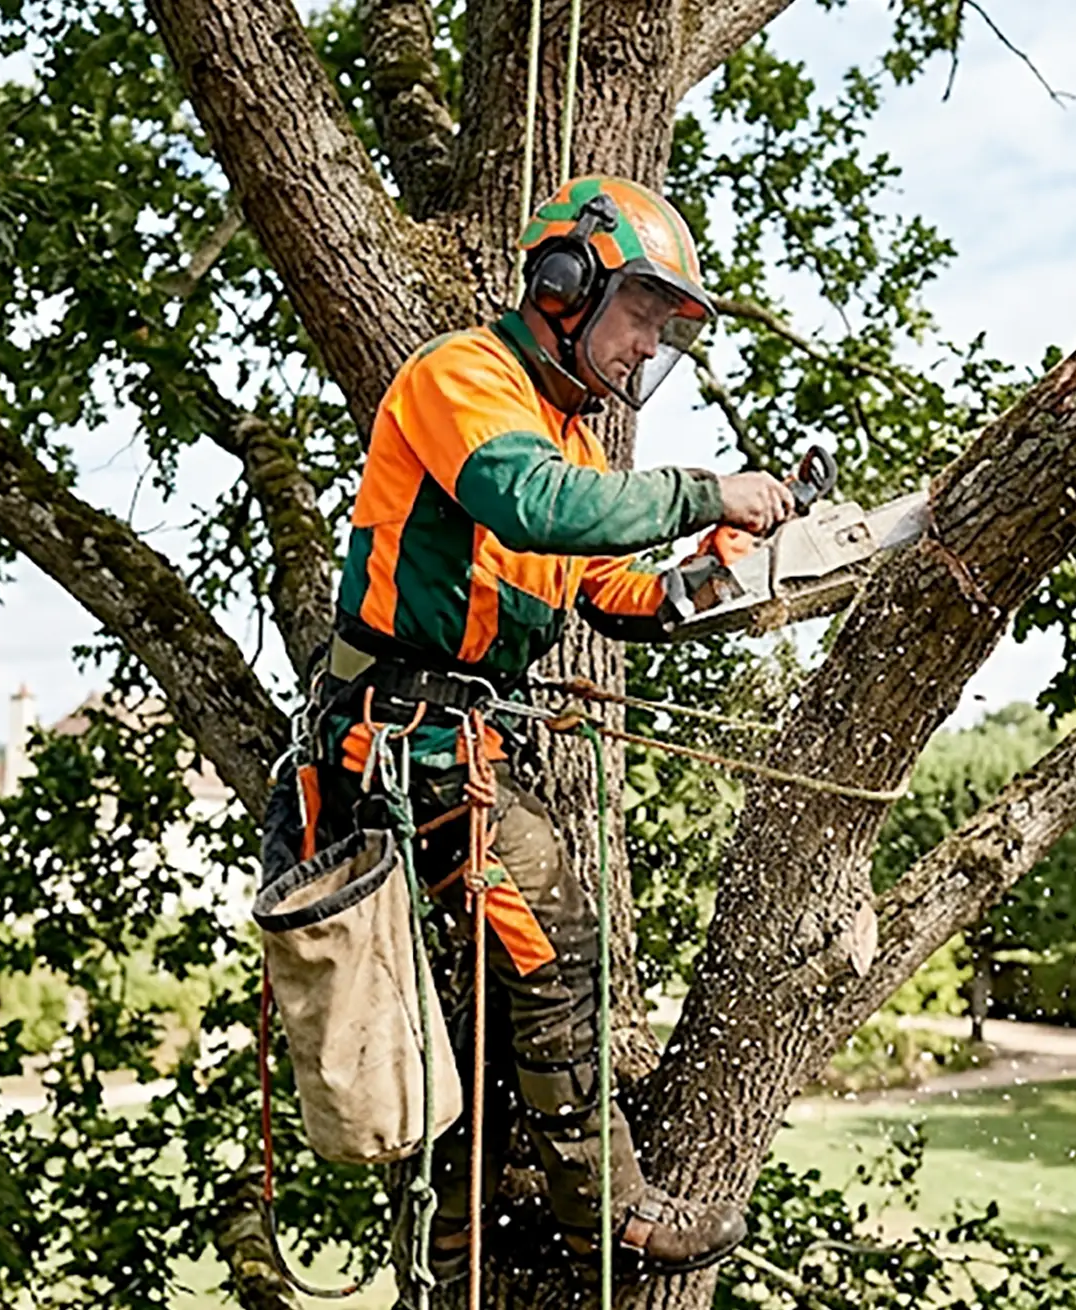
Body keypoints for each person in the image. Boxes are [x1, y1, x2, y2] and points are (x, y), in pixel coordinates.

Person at [301, 175, 792, 1281]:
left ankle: (457, 1249)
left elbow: (616, 589)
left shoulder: (571, 442)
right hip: (399, 742)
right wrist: (706, 490)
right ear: (566, 286)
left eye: (662, 333)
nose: (641, 351)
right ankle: (612, 1213)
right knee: (558, 937)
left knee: (483, 1019)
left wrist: (715, 579)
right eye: (639, 318)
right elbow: (531, 506)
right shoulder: (463, 379)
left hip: (458, 746)